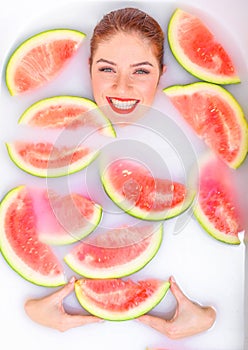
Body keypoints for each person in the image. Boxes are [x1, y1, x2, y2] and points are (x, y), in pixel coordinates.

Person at [24, 7, 216, 338]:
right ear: (88, 69)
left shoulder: (200, 136)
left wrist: (209, 318)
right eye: (106, 69)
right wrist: (29, 309)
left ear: (162, 73)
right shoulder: (50, 130)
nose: (121, 87)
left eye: (141, 72)